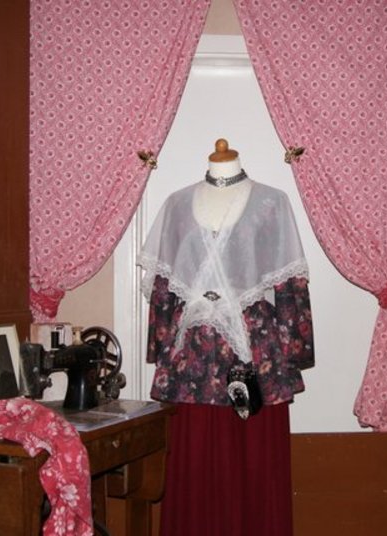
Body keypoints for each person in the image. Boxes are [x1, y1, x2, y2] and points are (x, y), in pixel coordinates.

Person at [138, 139, 314, 536]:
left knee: (255, 459)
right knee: (195, 456)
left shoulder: (272, 203)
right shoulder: (176, 205)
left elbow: (290, 284)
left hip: (255, 353)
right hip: (192, 358)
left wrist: (294, 351)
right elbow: (163, 287)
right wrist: (161, 347)